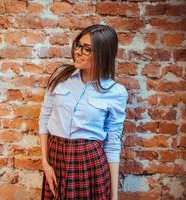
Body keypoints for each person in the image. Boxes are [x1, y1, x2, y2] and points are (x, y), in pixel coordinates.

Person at [38, 24, 129, 200]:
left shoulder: (115, 92)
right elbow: (45, 117)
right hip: (56, 157)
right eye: (78, 45)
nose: (78, 52)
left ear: (103, 54)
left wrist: (114, 196)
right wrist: (45, 162)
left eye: (87, 49)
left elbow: (112, 142)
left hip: (89, 163)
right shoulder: (60, 76)